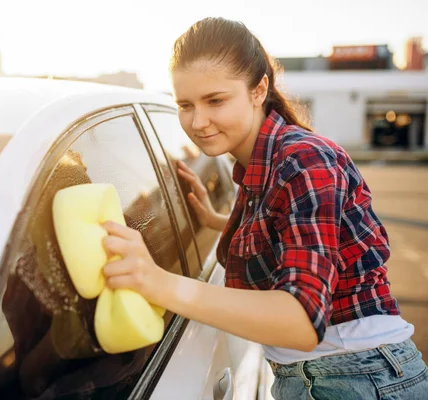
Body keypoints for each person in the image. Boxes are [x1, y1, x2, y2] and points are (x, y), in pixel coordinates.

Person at [100, 17, 428, 399]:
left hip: (360, 379)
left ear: (259, 90)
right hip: (327, 376)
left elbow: (301, 321)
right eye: (185, 104)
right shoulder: (263, 164)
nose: (197, 121)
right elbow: (297, 234)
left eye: (215, 100)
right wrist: (218, 221)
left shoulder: (304, 159)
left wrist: (158, 282)